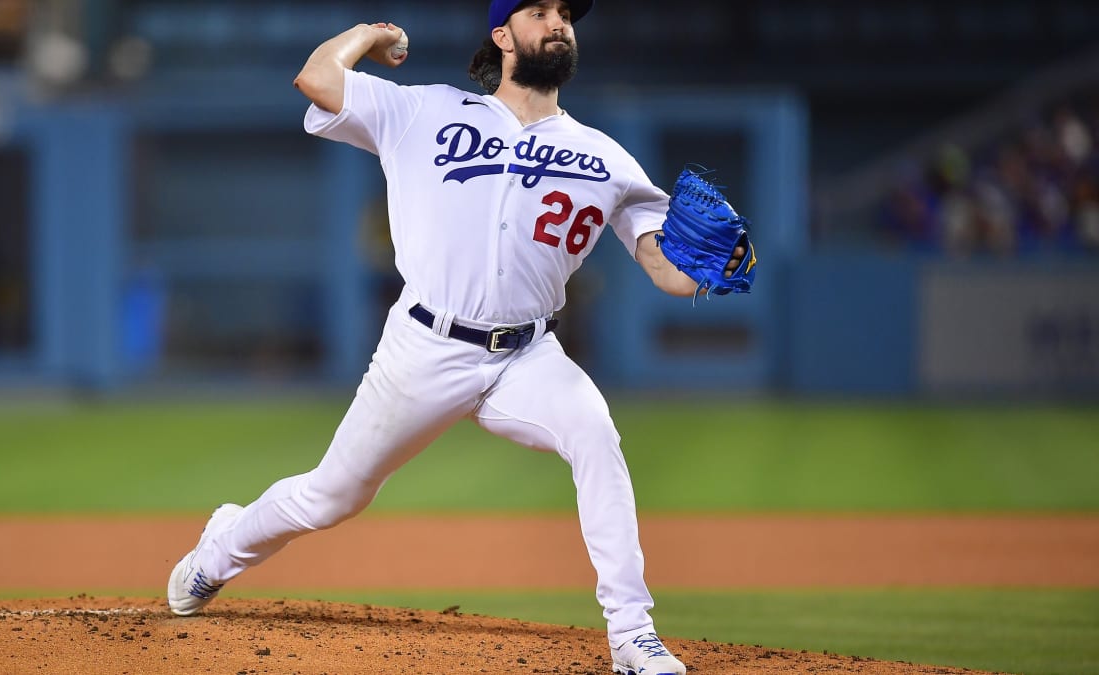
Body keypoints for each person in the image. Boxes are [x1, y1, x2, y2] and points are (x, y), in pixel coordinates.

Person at [168, 2, 747, 673]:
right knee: (333, 495)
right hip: (424, 348)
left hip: (526, 356)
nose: (558, 21)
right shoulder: (426, 110)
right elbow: (317, 80)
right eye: (540, 11)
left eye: (567, 13)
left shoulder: (606, 159)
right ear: (503, 36)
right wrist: (370, 34)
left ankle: (631, 633)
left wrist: (714, 268)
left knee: (594, 430)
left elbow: (664, 269)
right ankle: (219, 548)